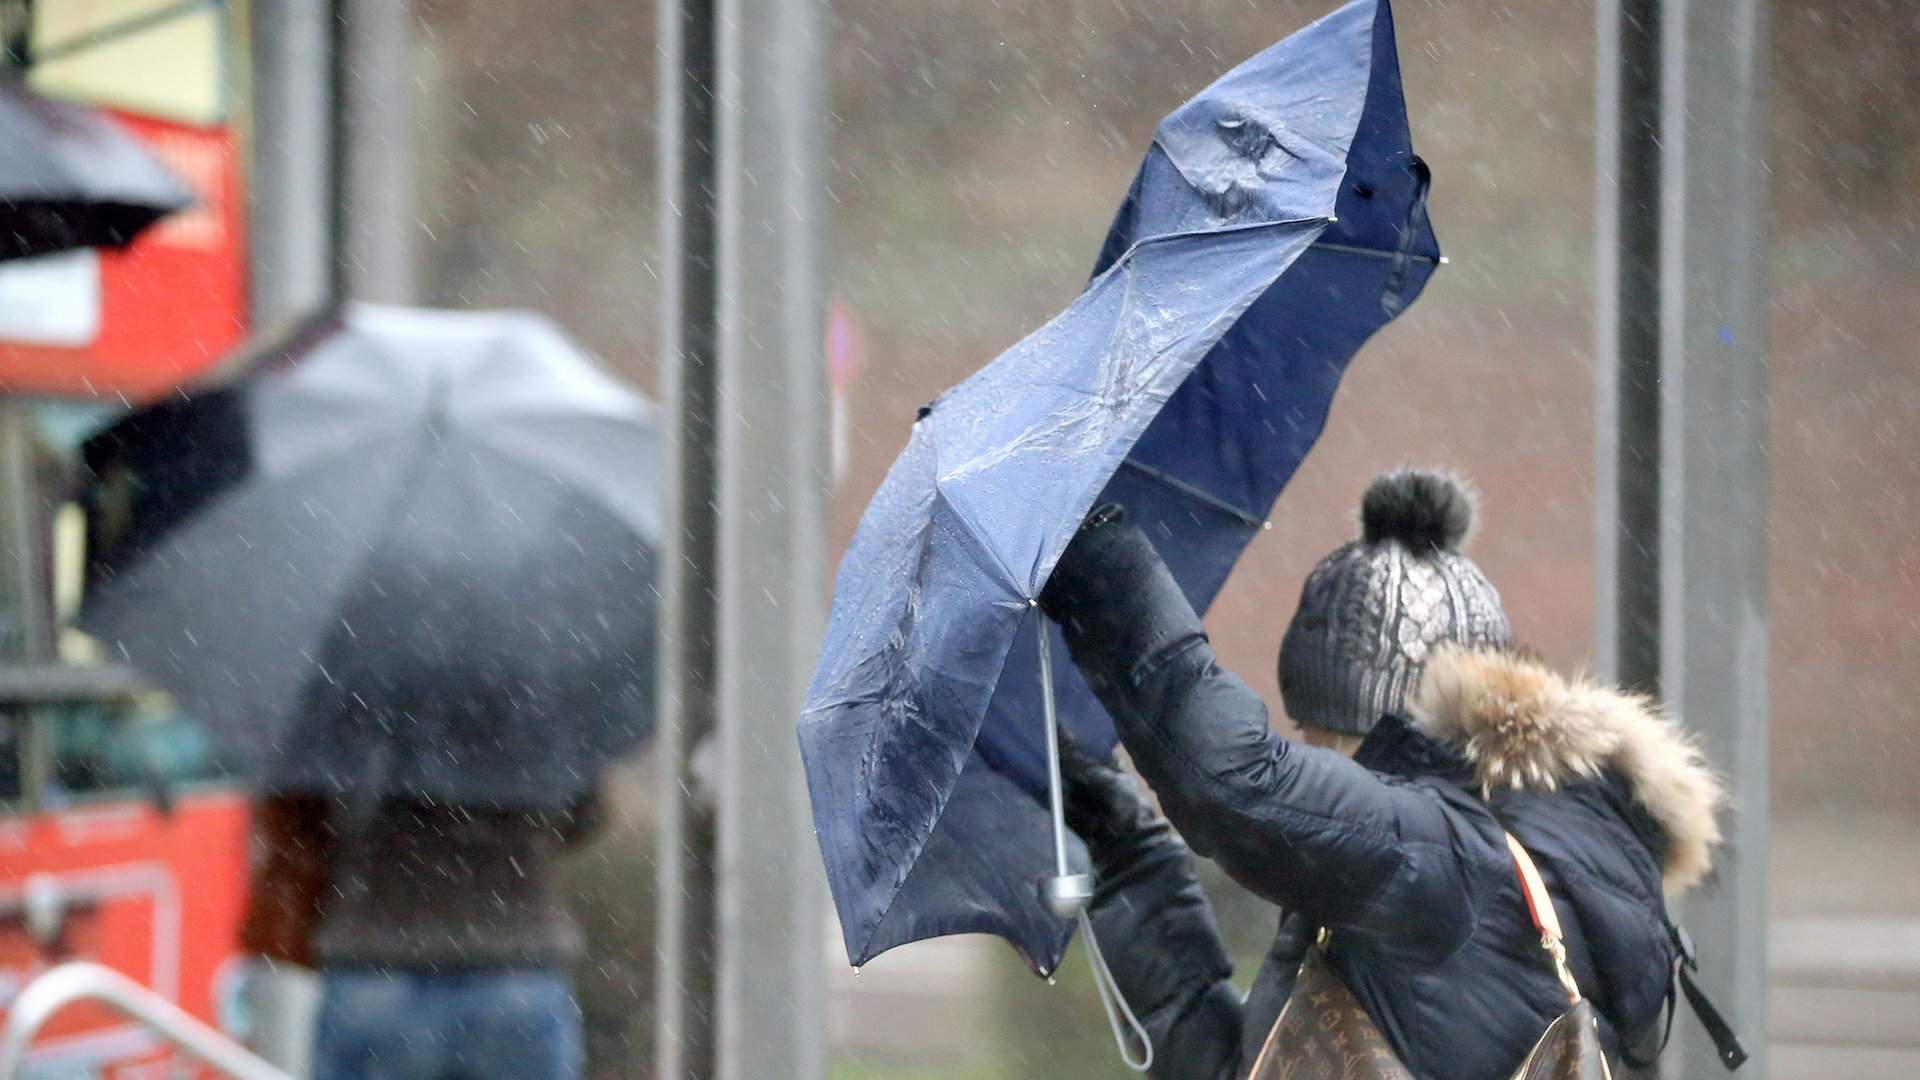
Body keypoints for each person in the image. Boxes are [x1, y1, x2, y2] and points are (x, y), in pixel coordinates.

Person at [1039, 468, 1727, 1080]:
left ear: (1371, 727)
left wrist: (1094, 551)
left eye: (1312, 731)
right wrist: (1117, 842)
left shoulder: (1443, 861)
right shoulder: (1470, 877)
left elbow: (1233, 780)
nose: (1302, 747)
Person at [240, 789, 598, 1080]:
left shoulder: (354, 710)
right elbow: (584, 815)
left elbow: (307, 819)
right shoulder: (532, 713)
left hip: (374, 967)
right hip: (513, 970)